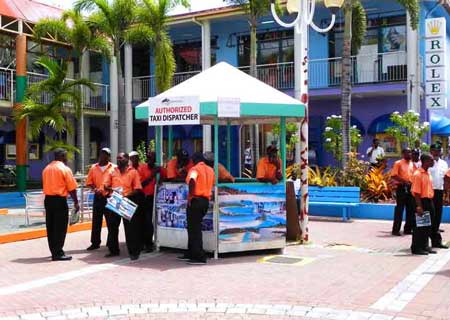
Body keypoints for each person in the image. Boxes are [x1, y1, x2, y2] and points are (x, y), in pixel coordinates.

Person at [103, 152, 143, 260]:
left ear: (126, 159)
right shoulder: (112, 171)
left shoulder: (133, 172)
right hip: (115, 201)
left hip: (127, 201)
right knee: (112, 227)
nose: (118, 160)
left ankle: (134, 252)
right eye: (117, 158)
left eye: (120, 158)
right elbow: (106, 185)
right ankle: (113, 250)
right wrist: (108, 188)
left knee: (130, 228)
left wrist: (126, 195)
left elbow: (138, 189)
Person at [177, 152, 215, 265]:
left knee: (194, 229)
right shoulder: (210, 170)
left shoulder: (195, 169)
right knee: (194, 227)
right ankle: (191, 252)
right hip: (205, 201)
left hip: (196, 200)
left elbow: (192, 180)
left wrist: (192, 196)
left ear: (194, 160)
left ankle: (199, 256)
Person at [42, 148, 79, 261]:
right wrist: (76, 202)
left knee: (51, 226)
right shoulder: (64, 169)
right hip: (59, 201)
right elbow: (72, 188)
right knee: (60, 227)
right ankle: (58, 253)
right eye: (66, 156)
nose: (67, 159)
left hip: (48, 200)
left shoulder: (46, 169)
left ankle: (54, 251)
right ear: (62, 156)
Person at [85, 147, 114, 251]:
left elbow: (116, 182)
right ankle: (95, 242)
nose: (103, 155)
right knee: (96, 221)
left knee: (111, 221)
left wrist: (109, 190)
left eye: (105, 154)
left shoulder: (113, 168)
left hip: (109, 197)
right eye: (101, 153)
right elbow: (89, 182)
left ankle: (111, 242)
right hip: (98, 197)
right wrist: (95, 189)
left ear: (109, 156)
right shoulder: (94, 168)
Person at [137, 151, 164, 252]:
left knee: (152, 221)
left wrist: (160, 178)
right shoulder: (142, 168)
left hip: (155, 197)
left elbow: (165, 178)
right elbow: (140, 185)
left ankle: (150, 243)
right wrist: (152, 176)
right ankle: (144, 243)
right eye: (148, 158)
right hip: (144, 197)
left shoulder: (159, 169)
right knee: (144, 221)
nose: (150, 160)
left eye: (151, 158)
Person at [411, 153, 436, 255]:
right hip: (421, 201)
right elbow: (416, 192)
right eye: (431, 160)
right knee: (420, 226)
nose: (433, 162)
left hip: (429, 201)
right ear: (425, 161)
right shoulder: (418, 174)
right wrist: (419, 206)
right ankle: (416, 248)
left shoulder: (428, 173)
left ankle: (425, 246)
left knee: (428, 225)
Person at [391, 148, 416, 236]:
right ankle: (396, 230)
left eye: (410, 152)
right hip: (401, 188)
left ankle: (408, 229)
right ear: (403, 153)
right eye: (407, 152)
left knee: (411, 209)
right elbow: (394, 175)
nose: (409, 154)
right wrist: (404, 181)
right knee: (399, 209)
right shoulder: (398, 163)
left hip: (410, 188)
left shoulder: (413, 164)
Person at [428, 144, 449, 249]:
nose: (436, 152)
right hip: (427, 193)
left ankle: (436, 241)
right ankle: (423, 242)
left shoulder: (444, 163)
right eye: (434, 150)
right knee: (429, 216)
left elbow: (446, 179)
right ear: (430, 151)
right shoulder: (425, 162)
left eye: (438, 150)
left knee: (437, 216)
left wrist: (446, 193)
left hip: (439, 192)